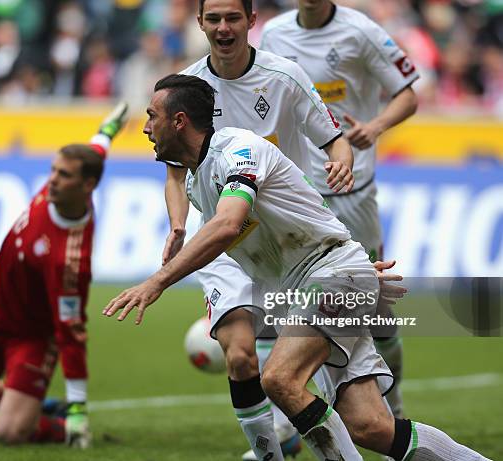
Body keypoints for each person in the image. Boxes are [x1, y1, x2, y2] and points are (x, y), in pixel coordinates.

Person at [103, 74, 490, 461]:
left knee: (279, 379)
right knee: (371, 426)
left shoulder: (239, 149)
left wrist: (157, 282)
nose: (146, 126)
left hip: (330, 275)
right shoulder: (195, 181)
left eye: (152, 115)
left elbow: (227, 225)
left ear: (179, 120)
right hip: (322, 284)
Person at [162, 0, 355, 456]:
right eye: (214, 19)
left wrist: (342, 163)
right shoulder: (188, 89)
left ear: (251, 21)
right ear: (201, 24)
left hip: (289, 238)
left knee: (303, 368)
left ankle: (299, 431)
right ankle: (271, 451)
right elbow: (174, 172)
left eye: (233, 18)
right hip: (223, 237)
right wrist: (176, 225)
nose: (223, 27)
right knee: (241, 354)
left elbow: (335, 139)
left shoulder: (284, 77)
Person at [0, 103, 128, 447]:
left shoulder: (70, 260)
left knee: (11, 433)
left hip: (31, 333)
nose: (52, 179)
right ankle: (32, 404)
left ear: (87, 186)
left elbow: (71, 333)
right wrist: (106, 132)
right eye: (53, 170)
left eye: (63, 175)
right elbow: (96, 152)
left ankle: (65, 427)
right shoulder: (59, 192)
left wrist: (79, 404)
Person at [259, 0, 420, 420]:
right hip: (296, 186)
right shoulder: (275, 34)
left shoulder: (360, 31)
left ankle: (393, 403)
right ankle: (287, 421)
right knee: (285, 298)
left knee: (375, 304)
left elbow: (408, 94)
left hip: (353, 183)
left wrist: (377, 125)